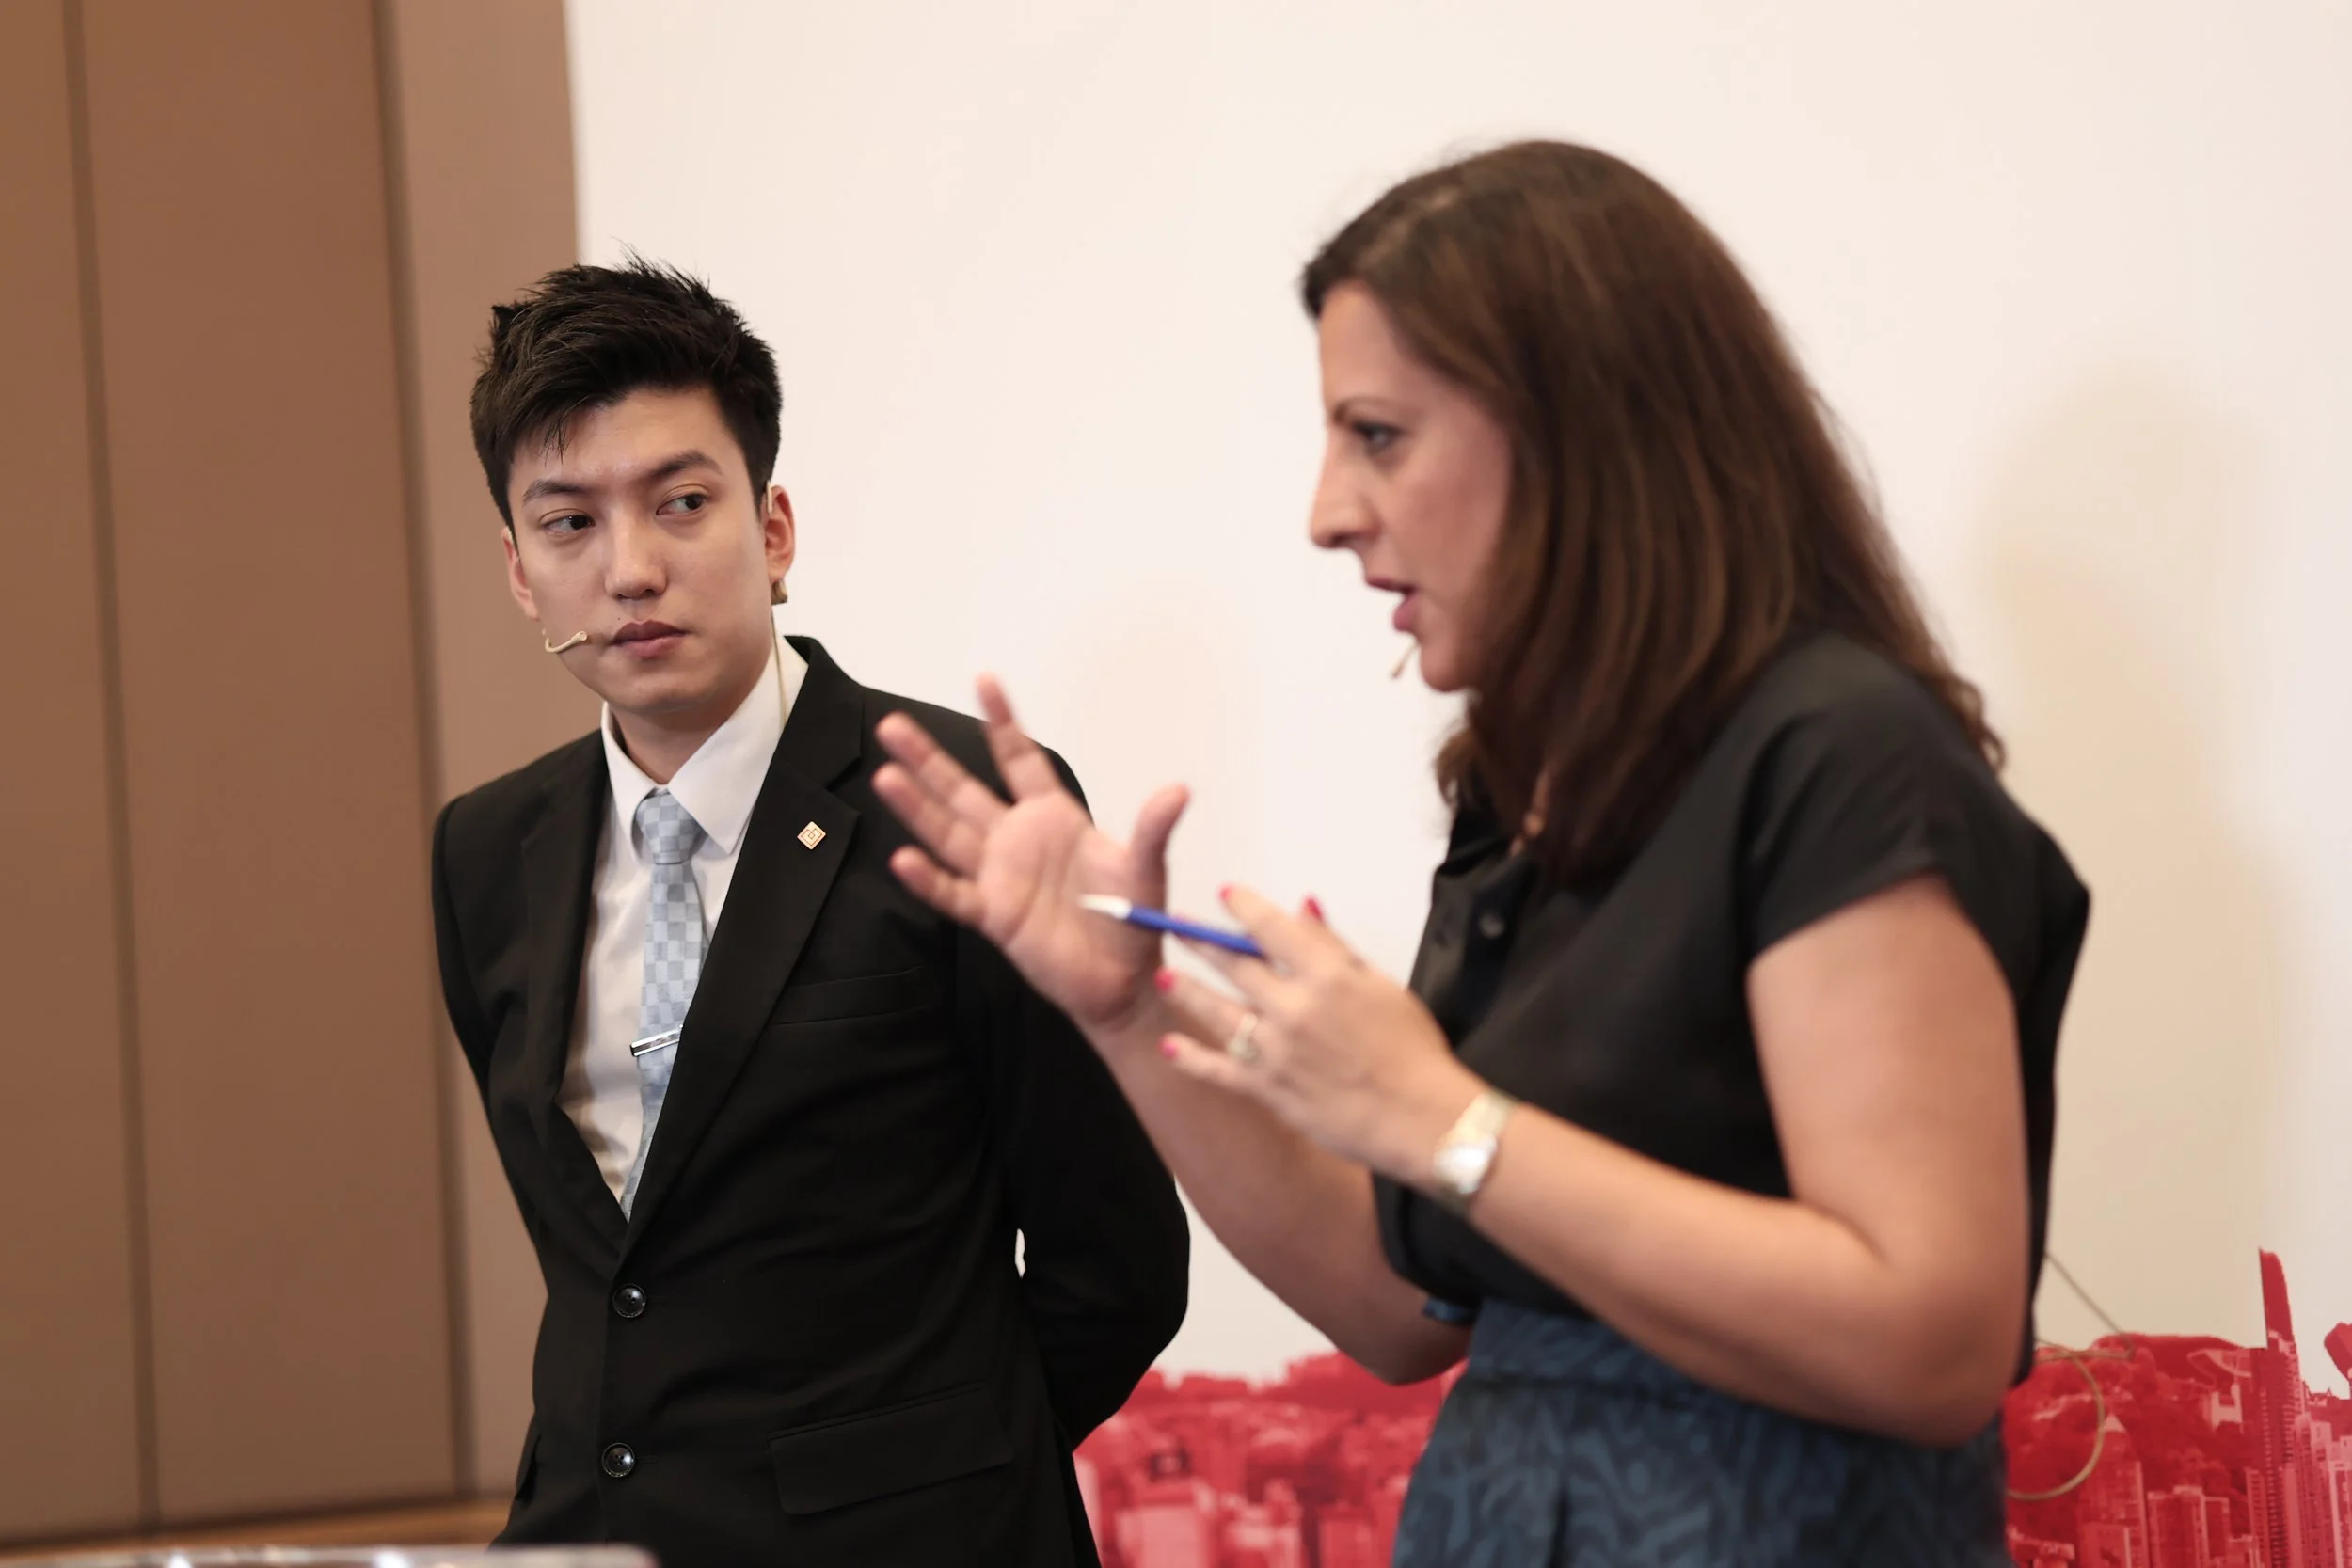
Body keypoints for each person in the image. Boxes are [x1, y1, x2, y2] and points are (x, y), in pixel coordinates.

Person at [870, 142, 2090, 1564]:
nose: (1327, 511)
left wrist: (1444, 1120)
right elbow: (1401, 1310)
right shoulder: (1523, 799)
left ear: (1586, 433)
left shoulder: (1840, 757)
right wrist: (1127, 1011)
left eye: (1377, 435)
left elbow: (1929, 1335)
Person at [428, 261, 1188, 1567]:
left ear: (773, 528)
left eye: (681, 503)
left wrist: (933, 1482)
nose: (630, 569)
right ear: (516, 568)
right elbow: (611, 1267)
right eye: (568, 524)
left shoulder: (955, 805)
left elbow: (1112, 1264)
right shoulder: (489, 850)